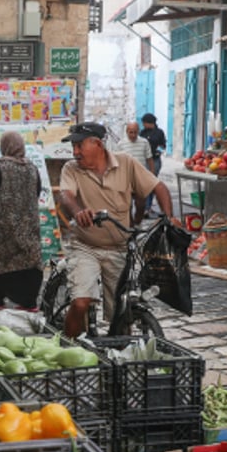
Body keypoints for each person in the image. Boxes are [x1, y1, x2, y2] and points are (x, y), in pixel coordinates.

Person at [56, 121, 173, 338]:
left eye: (80, 145)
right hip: (84, 246)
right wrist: (78, 211)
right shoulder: (71, 169)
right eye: (73, 146)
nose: (75, 152)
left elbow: (158, 187)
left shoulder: (126, 163)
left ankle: (120, 355)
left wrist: (169, 219)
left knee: (121, 311)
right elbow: (66, 196)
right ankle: (70, 348)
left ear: (98, 144)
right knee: (81, 301)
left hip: (119, 247)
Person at [0, 131, 43, 310]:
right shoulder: (32, 167)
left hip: (4, 226)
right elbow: (37, 191)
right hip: (29, 225)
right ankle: (29, 302)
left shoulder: (0, 167)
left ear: (4, 146)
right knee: (30, 260)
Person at [140, 113, 168, 216]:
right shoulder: (142, 133)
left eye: (144, 123)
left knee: (151, 183)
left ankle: (148, 206)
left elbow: (163, 145)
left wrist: (158, 151)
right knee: (144, 184)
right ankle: (145, 207)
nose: (143, 125)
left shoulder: (159, 133)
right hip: (144, 161)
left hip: (154, 160)